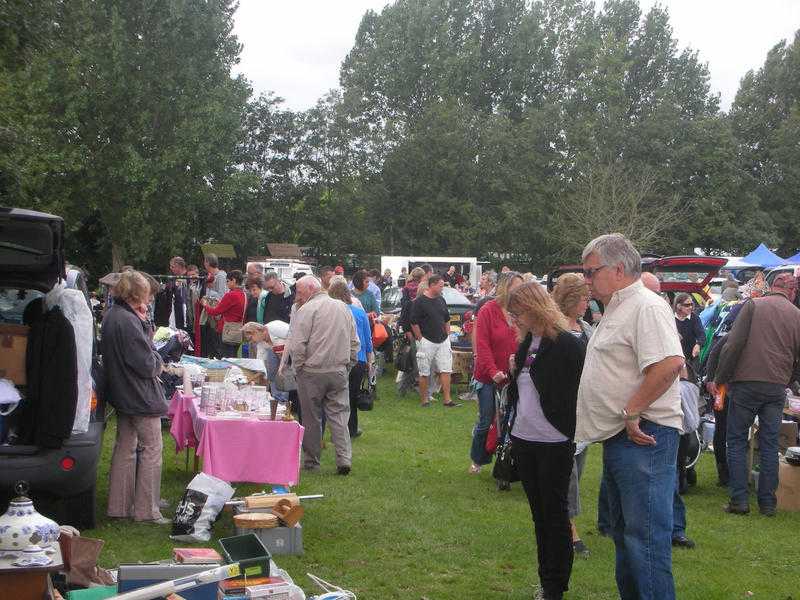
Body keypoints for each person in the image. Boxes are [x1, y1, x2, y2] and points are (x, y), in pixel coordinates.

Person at [576, 233, 684, 600]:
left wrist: (634, 410)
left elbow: (670, 363)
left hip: (644, 437)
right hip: (624, 437)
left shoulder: (645, 305)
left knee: (645, 542)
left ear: (618, 269)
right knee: (626, 537)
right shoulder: (619, 306)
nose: (586, 280)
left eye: (591, 272)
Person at [506, 282, 585, 600]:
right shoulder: (526, 343)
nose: (514, 319)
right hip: (525, 439)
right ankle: (546, 580)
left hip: (554, 440)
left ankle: (555, 586)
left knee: (555, 516)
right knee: (539, 516)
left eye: (516, 312)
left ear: (532, 307)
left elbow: (577, 388)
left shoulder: (566, 343)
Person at [713, 271, 800, 516]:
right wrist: (788, 379)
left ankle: (739, 501)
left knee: (738, 440)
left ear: (771, 287)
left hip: (746, 383)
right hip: (776, 386)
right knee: (770, 444)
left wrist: (721, 378)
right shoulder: (797, 315)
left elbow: (733, 344)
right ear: (792, 291)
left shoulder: (753, 305)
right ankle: (768, 503)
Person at [102, 271, 169, 524]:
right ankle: (147, 510)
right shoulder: (128, 321)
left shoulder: (112, 316)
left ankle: (119, 506)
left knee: (125, 448)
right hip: (139, 394)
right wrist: (158, 360)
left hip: (122, 392)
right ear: (136, 294)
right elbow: (147, 364)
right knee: (152, 448)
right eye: (146, 294)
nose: (149, 300)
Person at [641, 272, 696, 549]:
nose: (656, 297)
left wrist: (683, 387)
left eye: (658, 292)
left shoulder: (660, 317)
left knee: (668, 475)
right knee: (624, 473)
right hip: (642, 411)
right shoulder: (642, 316)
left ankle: (674, 529)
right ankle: (614, 522)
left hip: (665, 413)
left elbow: (678, 362)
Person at [284, 276, 360, 474]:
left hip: (312, 372)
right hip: (338, 371)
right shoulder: (343, 307)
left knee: (311, 418)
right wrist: (348, 365)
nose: (297, 297)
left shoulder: (306, 310)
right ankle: (344, 459)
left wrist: (298, 368)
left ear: (311, 289)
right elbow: (354, 341)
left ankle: (311, 462)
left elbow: (297, 345)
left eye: (299, 292)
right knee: (340, 417)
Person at [551, 272, 594, 557]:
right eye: (583, 298)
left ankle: (562, 520)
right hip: (560, 410)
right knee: (567, 475)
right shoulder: (552, 330)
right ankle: (570, 529)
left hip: (585, 410)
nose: (587, 303)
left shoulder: (588, 329)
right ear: (570, 298)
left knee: (577, 468)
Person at [470, 271, 523, 474]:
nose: (518, 292)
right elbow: (482, 345)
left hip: (514, 376)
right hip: (488, 376)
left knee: (513, 421)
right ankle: (478, 459)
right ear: (504, 288)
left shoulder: (521, 312)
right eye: (515, 287)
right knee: (487, 420)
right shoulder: (488, 310)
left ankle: (508, 462)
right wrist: (493, 372)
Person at [328, 276, 373, 438]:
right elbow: (367, 340)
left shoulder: (330, 313)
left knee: (335, 395)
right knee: (352, 396)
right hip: (358, 358)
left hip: (336, 358)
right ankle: (351, 428)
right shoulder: (360, 313)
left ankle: (335, 429)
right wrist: (369, 361)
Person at [411, 274, 458, 407]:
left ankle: (447, 400)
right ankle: (425, 400)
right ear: (432, 285)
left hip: (443, 340)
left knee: (446, 369)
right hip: (427, 340)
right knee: (424, 371)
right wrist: (420, 338)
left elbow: (447, 319)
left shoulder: (441, 300)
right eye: (440, 285)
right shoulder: (419, 302)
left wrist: (447, 334)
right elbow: (414, 322)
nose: (442, 288)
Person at [201, 270, 246, 358]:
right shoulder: (243, 294)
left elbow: (215, 312)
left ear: (234, 280)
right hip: (238, 331)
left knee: (226, 358)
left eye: (227, 281)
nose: (226, 284)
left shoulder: (230, 295)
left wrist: (205, 305)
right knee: (233, 357)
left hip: (226, 331)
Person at [673, 292, 704, 363]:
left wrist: (698, 344)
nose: (690, 307)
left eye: (691, 304)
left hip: (691, 358)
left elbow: (701, 335)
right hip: (674, 357)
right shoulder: (670, 317)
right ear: (678, 306)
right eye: (687, 305)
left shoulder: (695, 318)